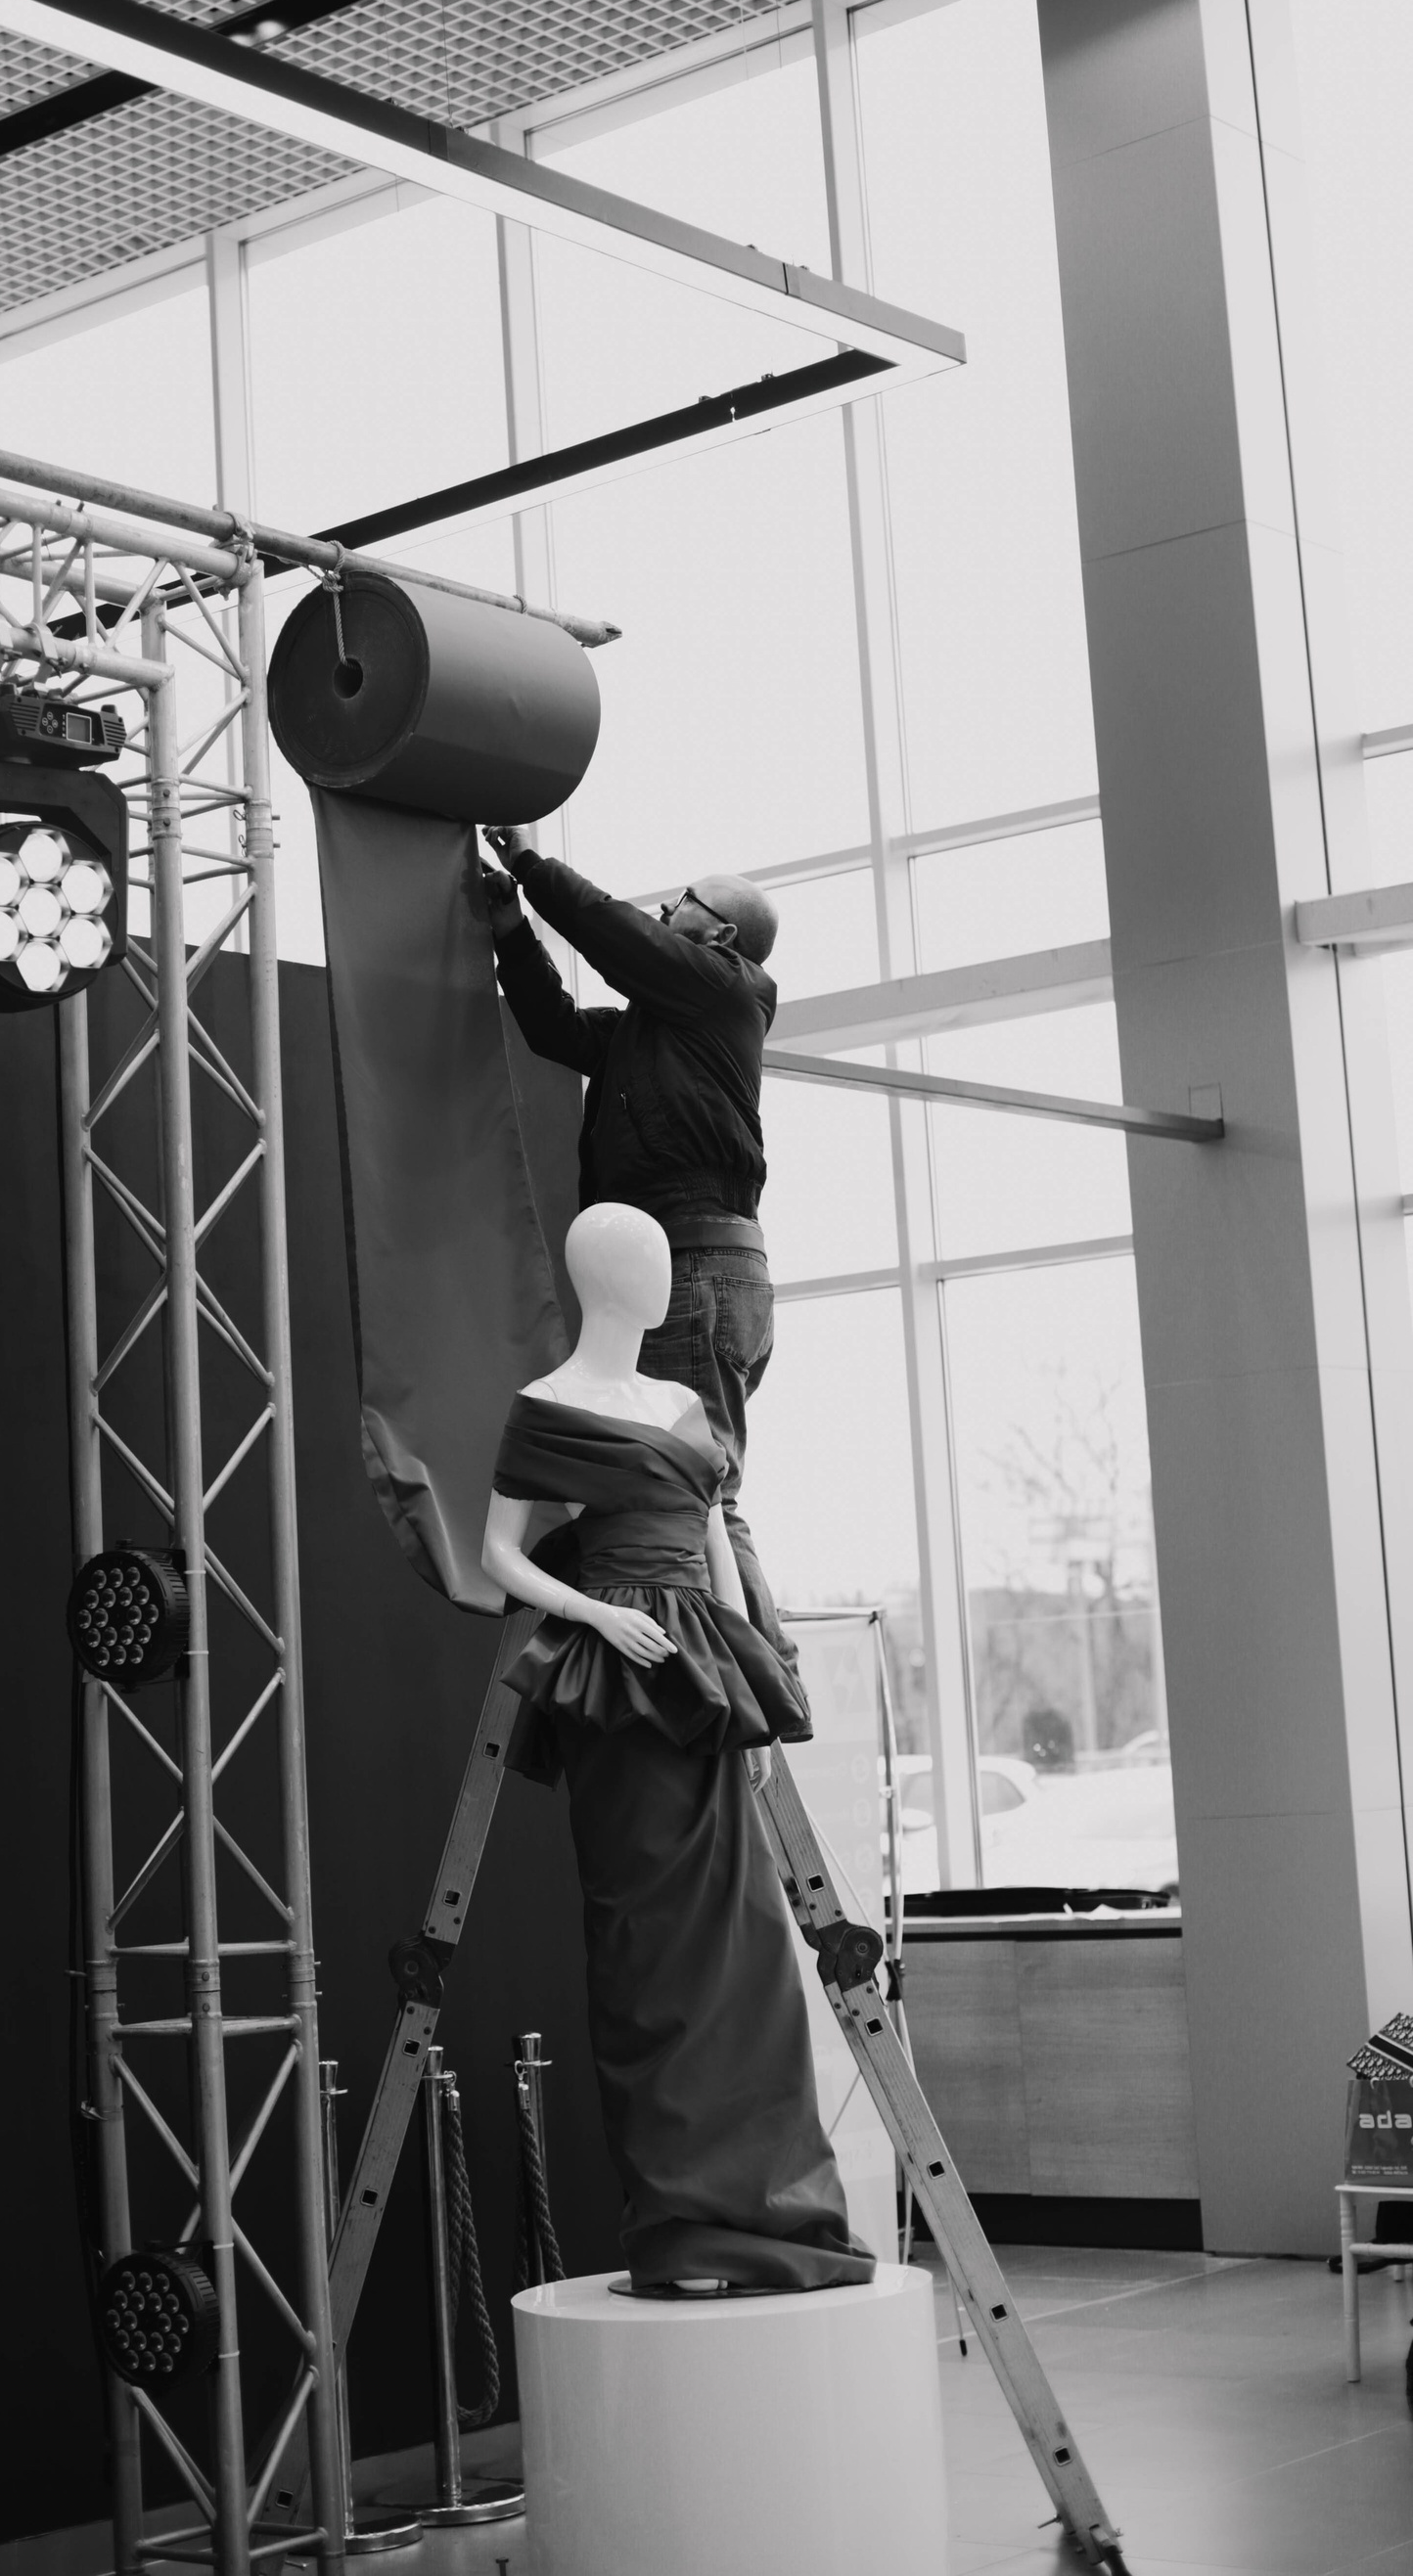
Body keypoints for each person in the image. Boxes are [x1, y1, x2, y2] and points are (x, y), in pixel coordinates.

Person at [481, 1201, 872, 2295]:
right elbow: (499, 1553)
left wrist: (758, 1693)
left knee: (752, 1956)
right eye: (643, 1263)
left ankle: (780, 2217)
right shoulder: (547, 1407)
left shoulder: (684, 1406)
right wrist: (596, 1616)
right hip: (624, 1691)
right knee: (646, 1955)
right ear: (602, 1280)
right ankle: (682, 2230)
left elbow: (716, 1546)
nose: (661, 1279)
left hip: (703, 1679)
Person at [480, 824, 807, 1737]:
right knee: (694, 1485)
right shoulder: (656, 1029)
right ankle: (744, 1680)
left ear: (720, 936)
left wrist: (530, 865)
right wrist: (511, 932)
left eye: (683, 903)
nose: (666, 909)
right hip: (700, 1273)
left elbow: (614, 934)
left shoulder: (726, 991)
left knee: (703, 1490)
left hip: (695, 1272)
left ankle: (761, 1687)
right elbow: (554, 1028)